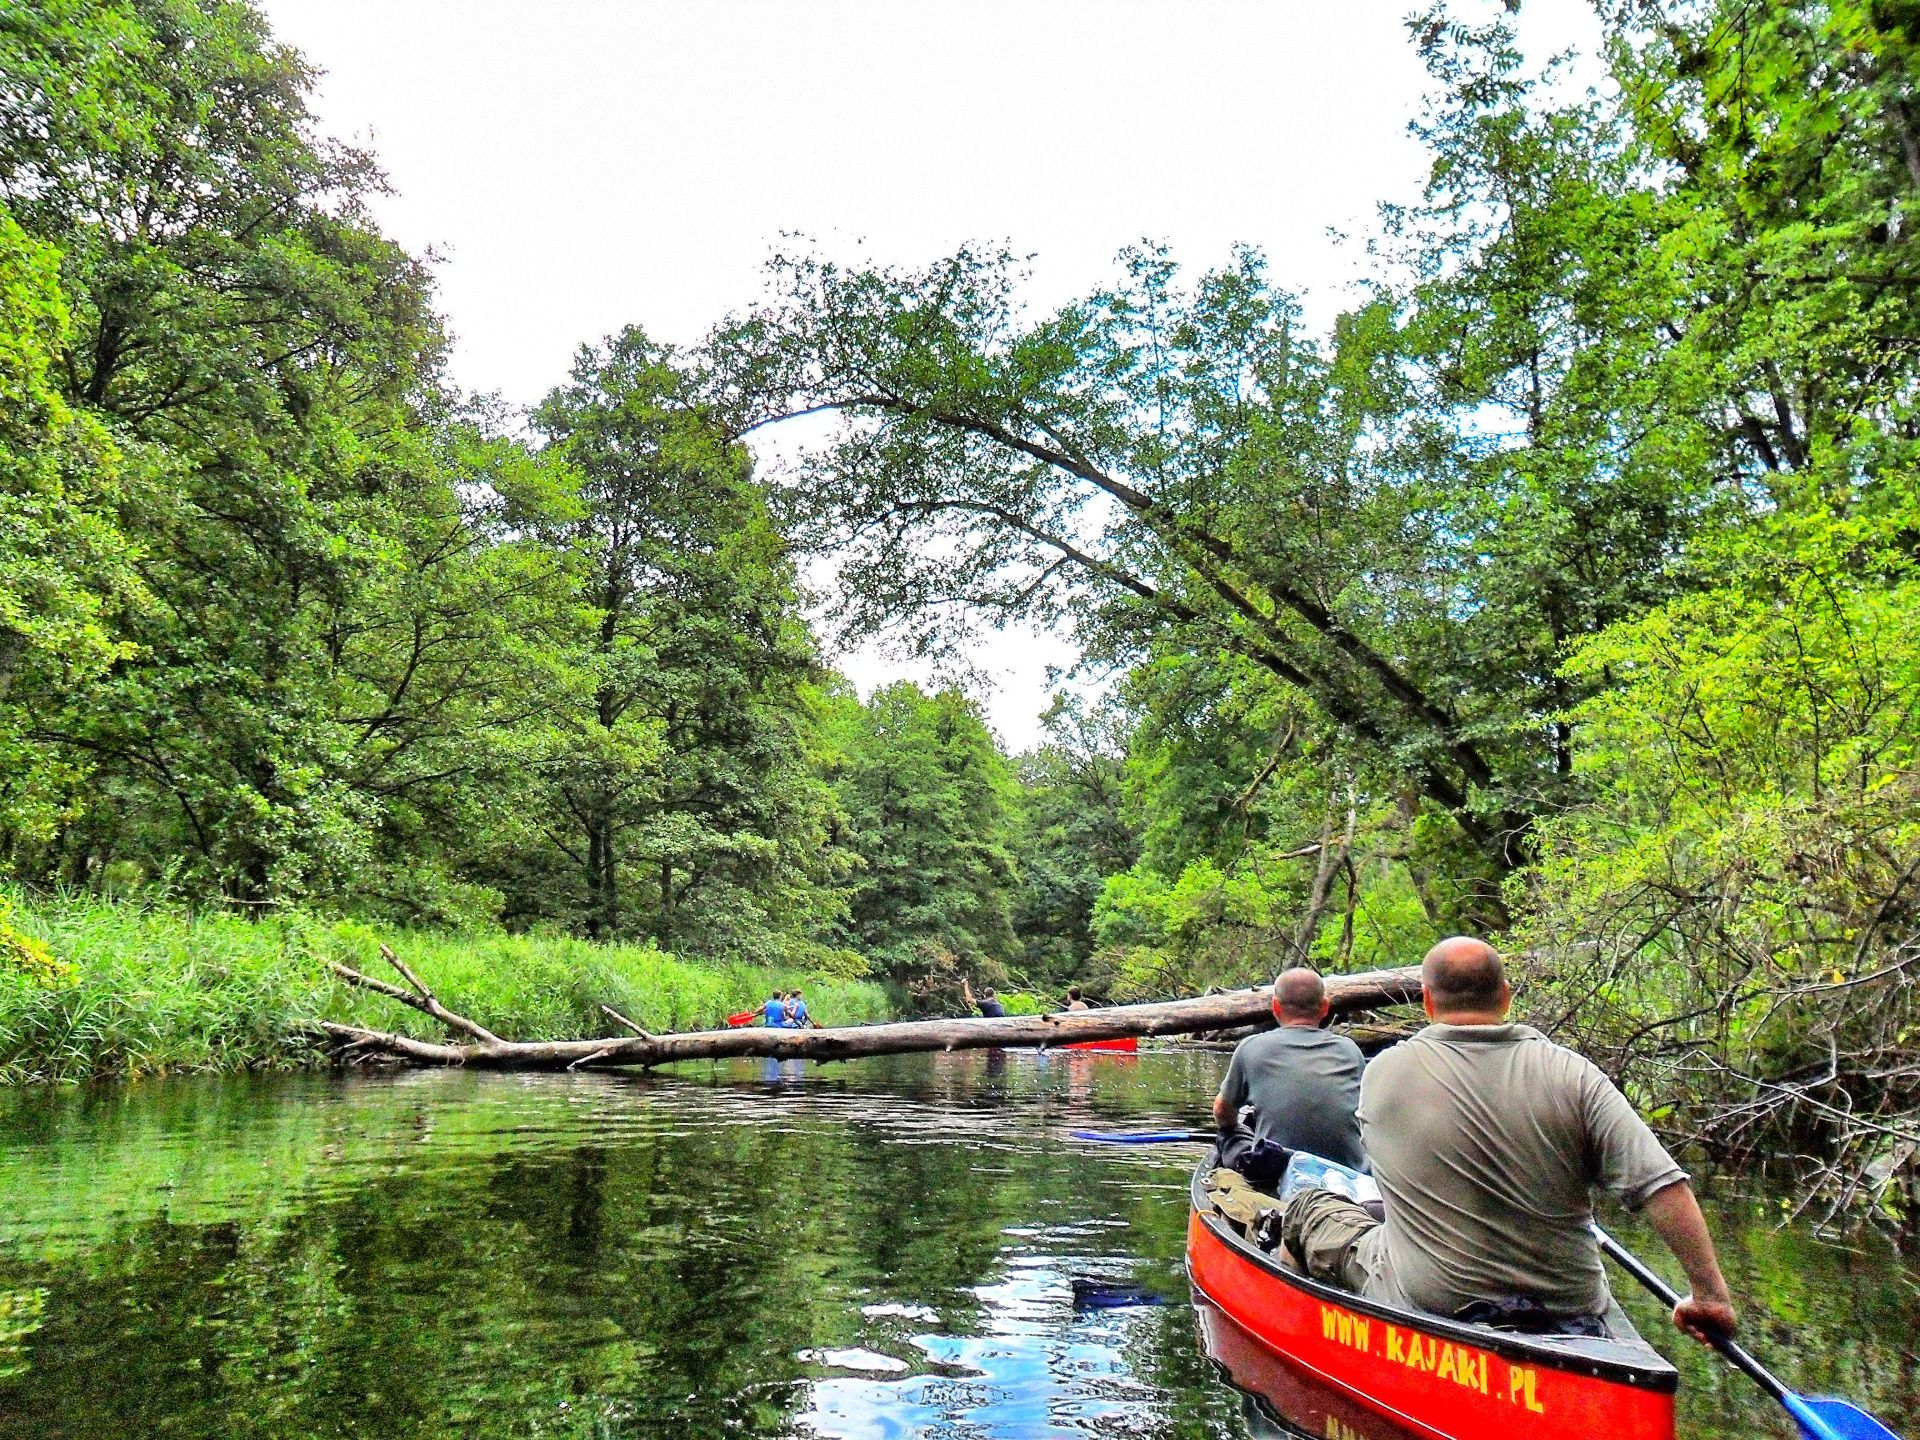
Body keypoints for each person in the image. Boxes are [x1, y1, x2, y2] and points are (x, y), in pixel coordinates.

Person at [1282, 936, 1738, 1345]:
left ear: (1426, 1001)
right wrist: (1710, 1298)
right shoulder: (1575, 1073)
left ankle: (1299, 1339)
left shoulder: (1383, 1072)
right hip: (1569, 1305)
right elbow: (1663, 1188)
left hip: (1435, 1299)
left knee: (1306, 1209)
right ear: (1505, 996)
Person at [1211, 967, 1366, 1172]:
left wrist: (1233, 1128)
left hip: (1279, 1171)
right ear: (1325, 1007)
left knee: (1228, 1132)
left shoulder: (1251, 1047)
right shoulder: (1350, 1050)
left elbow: (1222, 1112)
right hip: (1347, 1171)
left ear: (1275, 1006)